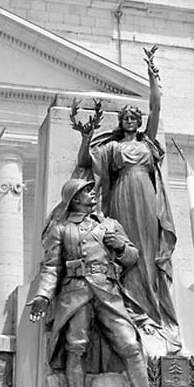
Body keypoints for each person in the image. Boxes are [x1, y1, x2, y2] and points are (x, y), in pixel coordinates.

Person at [29, 178, 177, 387]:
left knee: (130, 344)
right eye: (86, 191)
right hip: (76, 292)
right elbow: (51, 267)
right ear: (75, 198)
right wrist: (43, 295)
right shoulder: (62, 229)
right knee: (76, 347)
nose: (92, 193)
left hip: (108, 290)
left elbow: (132, 257)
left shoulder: (110, 225)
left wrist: (120, 247)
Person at [73, 47, 180, 351]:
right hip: (120, 197)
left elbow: (156, 110)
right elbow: (86, 161)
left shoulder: (148, 142)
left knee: (147, 251)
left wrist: (153, 78)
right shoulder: (111, 148)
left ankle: (153, 307)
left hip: (146, 197)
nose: (132, 121)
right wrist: (85, 136)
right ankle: (130, 307)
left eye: (135, 117)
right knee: (126, 251)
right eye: (127, 118)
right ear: (121, 122)